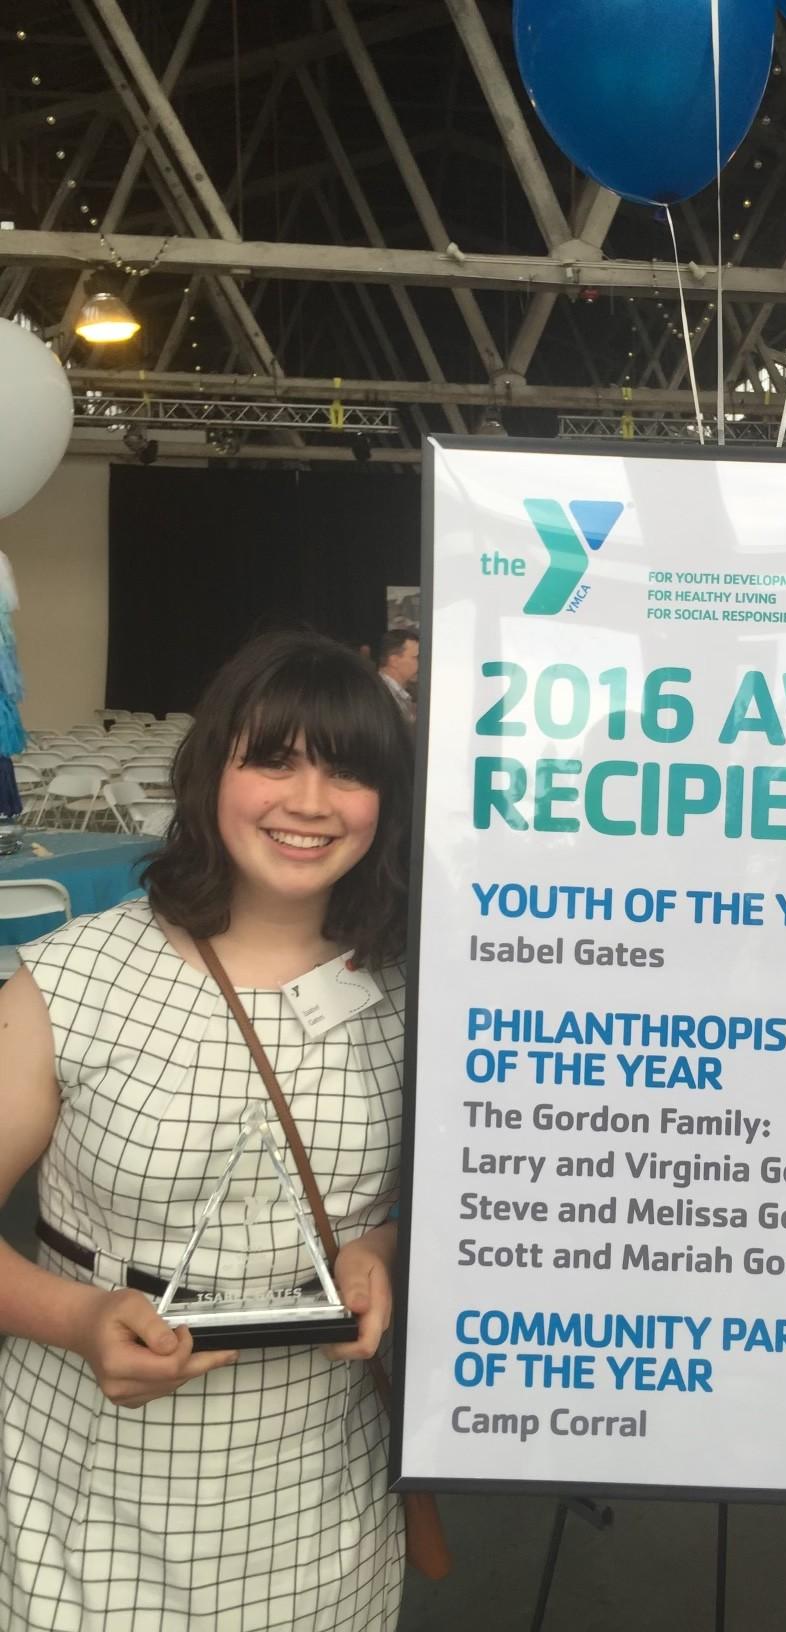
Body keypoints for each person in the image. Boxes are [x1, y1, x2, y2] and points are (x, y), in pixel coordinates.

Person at [0, 630, 446, 1630]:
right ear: (212, 771)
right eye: (273, 759)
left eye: (348, 771)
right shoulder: (79, 975)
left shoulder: (419, 989)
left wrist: (382, 1249)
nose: (309, 802)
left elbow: (474, 1200)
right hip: (84, 1498)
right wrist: (74, 1318)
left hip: (316, 1508)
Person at [377, 628, 418, 731]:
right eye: (415, 657)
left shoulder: (388, 692)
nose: (420, 663)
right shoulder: (383, 696)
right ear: (394, 661)